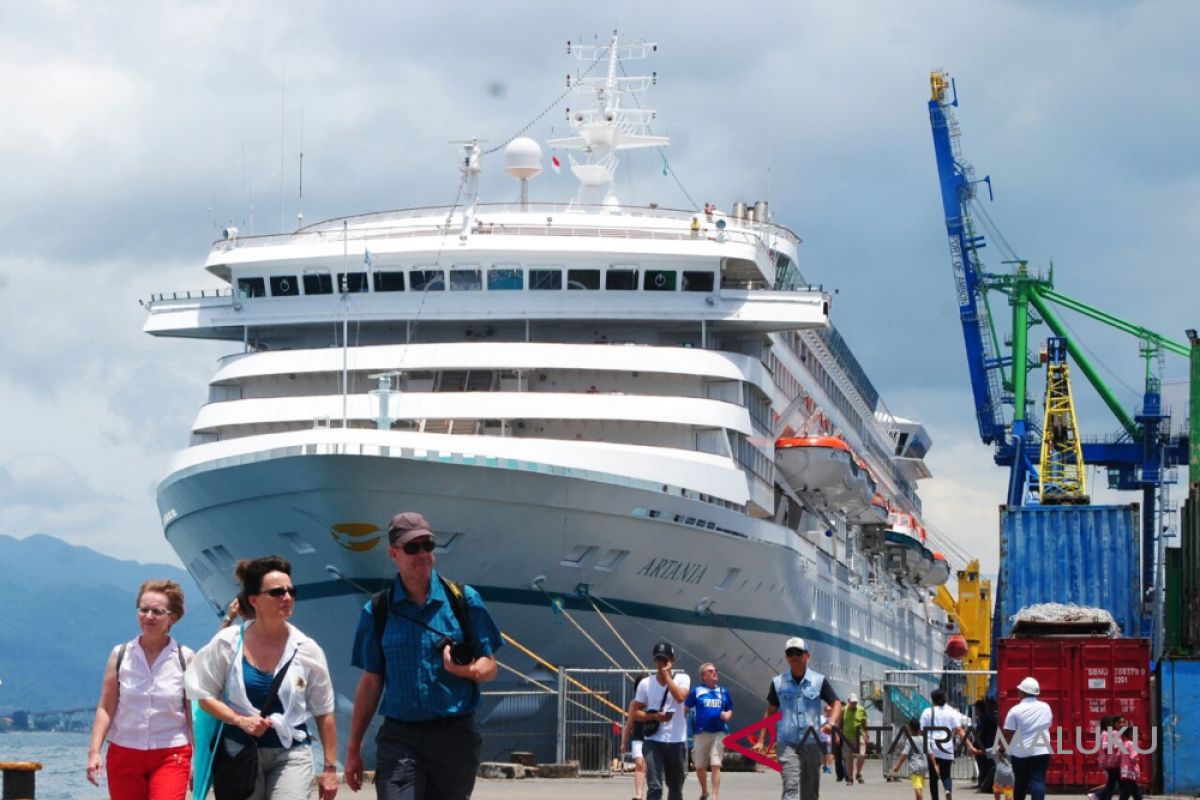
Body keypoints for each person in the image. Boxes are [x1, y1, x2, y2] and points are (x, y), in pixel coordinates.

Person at [345, 511, 502, 799]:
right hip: (400, 737)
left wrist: (467, 671)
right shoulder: (377, 611)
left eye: (427, 546)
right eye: (412, 548)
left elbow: (490, 664)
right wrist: (353, 749)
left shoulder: (464, 600)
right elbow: (370, 683)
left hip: (455, 736)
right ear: (393, 553)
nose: (422, 554)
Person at [186, 556, 339, 800]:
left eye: (291, 591)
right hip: (239, 751)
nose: (287, 597)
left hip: (291, 751)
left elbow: (324, 710)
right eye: (277, 592)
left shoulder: (308, 649)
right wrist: (240, 720)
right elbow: (203, 695)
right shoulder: (228, 643)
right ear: (254, 600)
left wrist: (330, 768)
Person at [87, 580, 194, 800]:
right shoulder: (121, 655)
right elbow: (106, 707)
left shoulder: (186, 658)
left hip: (171, 753)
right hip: (124, 752)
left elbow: (193, 714)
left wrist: (198, 758)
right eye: (143, 610)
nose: (148, 616)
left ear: (172, 617)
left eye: (157, 611)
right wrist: (94, 751)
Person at [756, 636, 841, 800]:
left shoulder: (819, 681)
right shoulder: (778, 682)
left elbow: (836, 703)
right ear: (786, 656)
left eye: (798, 652)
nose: (794, 656)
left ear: (807, 655)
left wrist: (832, 723)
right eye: (790, 653)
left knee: (810, 793)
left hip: (812, 742)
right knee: (790, 787)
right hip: (787, 743)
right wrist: (761, 739)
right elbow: (770, 711)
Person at [631, 642, 690, 800]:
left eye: (665, 660)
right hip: (653, 741)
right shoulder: (645, 684)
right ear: (654, 661)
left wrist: (667, 676)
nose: (661, 663)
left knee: (676, 788)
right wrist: (655, 717)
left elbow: (680, 697)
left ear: (672, 660)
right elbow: (635, 712)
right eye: (658, 660)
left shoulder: (683, 678)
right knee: (655, 787)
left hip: (676, 741)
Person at [921, 688, 979, 800]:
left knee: (933, 777)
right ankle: (948, 790)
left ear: (933, 700)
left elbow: (923, 731)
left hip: (933, 747)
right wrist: (969, 745)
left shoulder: (927, 712)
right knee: (946, 774)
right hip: (947, 747)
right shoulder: (951, 712)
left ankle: (935, 798)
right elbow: (959, 730)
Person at [685, 662, 732, 800]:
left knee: (716, 763)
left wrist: (728, 715)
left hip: (719, 732)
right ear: (703, 677)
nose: (714, 673)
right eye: (710, 671)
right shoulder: (697, 691)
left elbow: (729, 708)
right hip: (701, 733)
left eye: (715, 670)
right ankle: (704, 791)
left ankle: (715, 796)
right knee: (699, 766)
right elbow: (686, 707)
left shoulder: (723, 691)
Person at [1000, 677, 1052, 800]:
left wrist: (1002, 750)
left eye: (1019, 691)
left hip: (1021, 753)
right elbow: (1048, 725)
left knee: (1021, 782)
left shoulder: (1015, 710)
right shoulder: (1046, 707)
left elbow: (1008, 734)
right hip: (1042, 750)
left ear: (1023, 693)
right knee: (1038, 780)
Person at [621, 672, 650, 800]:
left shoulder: (655, 700)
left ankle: (652, 792)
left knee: (650, 767)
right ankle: (639, 794)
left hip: (653, 737)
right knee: (639, 764)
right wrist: (624, 742)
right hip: (638, 737)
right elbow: (629, 724)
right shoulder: (634, 703)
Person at [890, 718, 935, 800]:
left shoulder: (910, 740)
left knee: (917, 789)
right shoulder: (924, 739)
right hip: (924, 767)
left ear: (910, 728)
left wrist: (898, 766)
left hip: (915, 767)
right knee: (920, 787)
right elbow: (931, 753)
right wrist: (935, 765)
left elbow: (904, 754)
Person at [1088, 716, 1123, 800]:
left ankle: (1099, 796)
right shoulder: (1105, 734)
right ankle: (1097, 795)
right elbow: (1105, 747)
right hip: (1108, 762)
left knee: (1114, 784)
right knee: (1114, 785)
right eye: (1110, 723)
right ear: (1106, 724)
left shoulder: (1108, 733)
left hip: (1110, 762)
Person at [841, 692, 868, 785]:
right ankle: (850, 778)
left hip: (859, 735)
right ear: (848, 701)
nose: (854, 704)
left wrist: (866, 734)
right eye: (852, 702)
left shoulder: (861, 709)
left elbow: (864, 722)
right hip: (847, 737)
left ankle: (858, 773)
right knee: (848, 758)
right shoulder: (843, 710)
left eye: (855, 702)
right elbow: (839, 724)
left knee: (861, 755)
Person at [973, 699, 998, 793]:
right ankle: (984, 783)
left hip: (985, 745)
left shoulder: (985, 717)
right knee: (986, 765)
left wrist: (975, 743)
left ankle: (984, 784)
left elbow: (981, 732)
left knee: (984, 766)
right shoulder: (986, 717)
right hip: (987, 744)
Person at [1115, 727, 1142, 800]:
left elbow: (1118, 756)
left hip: (1124, 772)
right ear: (1131, 735)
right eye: (1136, 734)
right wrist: (1137, 759)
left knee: (1135, 792)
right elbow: (1133, 758)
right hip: (1131, 771)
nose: (1138, 736)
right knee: (1127, 793)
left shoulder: (1123, 744)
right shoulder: (1131, 744)